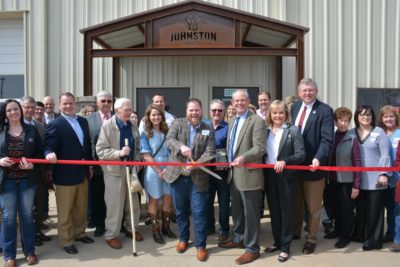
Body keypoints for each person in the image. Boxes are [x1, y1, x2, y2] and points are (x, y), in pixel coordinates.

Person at [163, 98, 215, 262]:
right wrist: (181, 147)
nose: (194, 113)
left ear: (201, 110)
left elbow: (210, 152)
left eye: (197, 110)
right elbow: (169, 140)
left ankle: (201, 246)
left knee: (199, 212)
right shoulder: (177, 123)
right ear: (187, 111)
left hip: (198, 177)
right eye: (191, 110)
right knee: (180, 211)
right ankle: (183, 239)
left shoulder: (208, 128)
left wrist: (196, 165)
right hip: (177, 176)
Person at [218, 89, 266, 265]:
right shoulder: (232, 121)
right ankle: (238, 239)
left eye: (242, 100)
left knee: (251, 214)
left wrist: (244, 157)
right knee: (237, 211)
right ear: (232, 103)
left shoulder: (257, 121)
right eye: (236, 101)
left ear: (248, 101)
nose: (239, 103)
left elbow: (260, 147)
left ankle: (252, 248)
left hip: (249, 175)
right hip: (234, 175)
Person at [45, 92, 94, 255]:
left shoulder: (83, 121)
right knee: (65, 211)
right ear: (60, 105)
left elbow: (86, 144)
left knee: (81, 208)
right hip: (65, 175)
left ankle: (80, 233)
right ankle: (66, 240)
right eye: (65, 104)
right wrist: (48, 154)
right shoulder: (55, 124)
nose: (68, 106)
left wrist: (90, 166)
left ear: (75, 104)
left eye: (70, 103)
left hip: (83, 172)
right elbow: (49, 145)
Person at [290, 78, 334, 254]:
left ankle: (311, 238)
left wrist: (318, 157)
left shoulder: (325, 111)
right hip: (294, 166)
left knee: (314, 207)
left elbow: (326, 139)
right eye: (304, 90)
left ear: (316, 91)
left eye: (310, 90)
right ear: (299, 92)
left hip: (313, 167)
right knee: (296, 203)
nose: (307, 93)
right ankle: (295, 232)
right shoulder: (294, 108)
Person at [0, 99, 43, 266]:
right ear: (5, 113)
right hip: (6, 182)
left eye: (16, 109)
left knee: (27, 216)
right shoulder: (1, 131)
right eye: (9, 110)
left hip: (27, 181)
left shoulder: (32, 130)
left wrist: (33, 164)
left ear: (21, 110)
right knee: (8, 217)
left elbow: (40, 153)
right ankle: (9, 255)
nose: (13, 112)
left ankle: (30, 252)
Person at [96, 98, 143, 250]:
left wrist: (136, 162)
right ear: (117, 111)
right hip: (114, 171)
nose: (130, 112)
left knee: (133, 203)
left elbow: (137, 147)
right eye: (127, 110)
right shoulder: (108, 126)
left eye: (130, 109)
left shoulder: (133, 125)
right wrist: (119, 153)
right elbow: (100, 150)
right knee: (114, 204)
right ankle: (111, 235)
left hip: (131, 169)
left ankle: (131, 228)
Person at [263, 100, 305, 262]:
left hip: (287, 176)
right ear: (270, 114)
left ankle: (286, 247)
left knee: (287, 211)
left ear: (286, 114)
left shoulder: (293, 130)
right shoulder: (266, 131)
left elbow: (301, 154)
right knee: (274, 211)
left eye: (281, 112)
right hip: (270, 175)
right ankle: (277, 241)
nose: (277, 115)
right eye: (274, 113)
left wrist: (285, 160)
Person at [352, 105, 391, 250]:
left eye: (368, 114)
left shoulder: (379, 132)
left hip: (376, 180)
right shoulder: (352, 132)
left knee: (375, 211)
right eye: (362, 114)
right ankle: (361, 235)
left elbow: (385, 155)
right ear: (357, 117)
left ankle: (373, 241)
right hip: (359, 180)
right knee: (362, 210)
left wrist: (383, 174)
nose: (365, 117)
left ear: (372, 117)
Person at [325, 107, 361, 248]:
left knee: (346, 209)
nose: (343, 123)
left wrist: (356, 185)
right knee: (336, 208)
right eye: (340, 120)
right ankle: (337, 230)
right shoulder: (331, 137)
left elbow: (358, 162)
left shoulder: (353, 139)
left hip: (347, 181)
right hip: (332, 180)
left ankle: (345, 236)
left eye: (346, 121)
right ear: (335, 121)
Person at [140, 104, 176, 244]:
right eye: (153, 114)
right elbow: (146, 155)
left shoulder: (169, 132)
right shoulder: (145, 134)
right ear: (148, 117)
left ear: (162, 116)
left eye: (158, 114)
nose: (156, 117)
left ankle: (166, 227)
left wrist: (168, 169)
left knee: (168, 198)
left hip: (169, 167)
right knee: (154, 199)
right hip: (154, 170)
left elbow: (174, 150)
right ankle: (156, 230)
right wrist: (159, 171)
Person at [20, 97, 52, 245]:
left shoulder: (40, 126)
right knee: (26, 209)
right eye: (27, 107)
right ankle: (28, 237)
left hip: (39, 172)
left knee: (39, 205)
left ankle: (38, 231)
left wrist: (47, 169)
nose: (30, 110)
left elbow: (45, 148)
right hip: (21, 174)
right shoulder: (14, 125)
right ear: (21, 107)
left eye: (32, 107)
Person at [86, 91, 113, 237]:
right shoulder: (88, 120)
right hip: (96, 165)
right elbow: (87, 143)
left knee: (113, 197)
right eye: (103, 101)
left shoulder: (117, 117)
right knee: (97, 196)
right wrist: (90, 164)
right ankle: (99, 224)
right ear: (97, 102)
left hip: (115, 165)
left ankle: (115, 224)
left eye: (109, 101)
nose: (106, 104)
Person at [206, 99, 230, 242]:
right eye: (214, 110)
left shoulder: (229, 127)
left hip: (223, 171)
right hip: (206, 172)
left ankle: (224, 229)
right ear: (210, 112)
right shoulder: (204, 126)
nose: (216, 113)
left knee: (223, 202)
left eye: (220, 110)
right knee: (207, 201)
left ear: (224, 112)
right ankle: (209, 226)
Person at [378, 105, 400, 243]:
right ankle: (390, 233)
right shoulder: (380, 133)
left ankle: (398, 238)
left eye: (391, 116)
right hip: (383, 178)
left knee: (397, 210)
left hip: (398, 179)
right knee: (388, 209)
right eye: (385, 116)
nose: (389, 119)